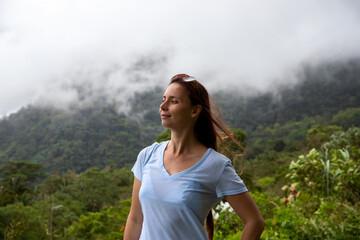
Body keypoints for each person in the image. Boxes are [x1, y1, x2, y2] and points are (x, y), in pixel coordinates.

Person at [124, 74, 265, 240]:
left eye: (173, 101)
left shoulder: (216, 166)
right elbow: (135, 219)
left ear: (195, 110)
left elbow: (255, 221)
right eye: (163, 99)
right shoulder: (147, 155)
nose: (163, 106)